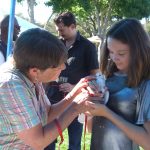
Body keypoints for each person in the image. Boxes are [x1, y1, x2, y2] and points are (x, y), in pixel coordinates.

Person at [0, 28, 97, 150]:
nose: (64, 67)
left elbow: (47, 115)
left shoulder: (31, 74)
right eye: (57, 66)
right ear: (35, 70)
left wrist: (74, 93)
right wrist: (74, 108)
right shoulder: (10, 85)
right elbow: (38, 141)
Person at [86, 18, 150, 150]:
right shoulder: (106, 78)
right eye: (111, 51)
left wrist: (107, 113)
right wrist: (90, 106)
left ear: (138, 51)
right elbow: (90, 129)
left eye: (121, 53)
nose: (114, 58)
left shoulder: (145, 84)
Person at [45, 12, 99, 150]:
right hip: (52, 100)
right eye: (57, 29)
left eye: (61, 29)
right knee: (47, 141)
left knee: (74, 143)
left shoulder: (88, 47)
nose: (59, 33)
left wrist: (74, 87)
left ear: (73, 26)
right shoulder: (55, 45)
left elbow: (95, 78)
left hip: (75, 102)